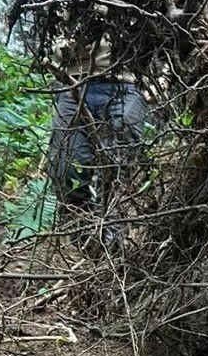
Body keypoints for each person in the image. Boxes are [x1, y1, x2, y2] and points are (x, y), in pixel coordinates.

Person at [47, 30, 149, 243]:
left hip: (126, 84)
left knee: (118, 166)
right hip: (74, 85)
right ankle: (82, 237)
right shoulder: (67, 0)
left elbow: (164, 38)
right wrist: (76, 42)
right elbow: (53, 48)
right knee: (67, 166)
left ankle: (113, 243)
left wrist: (162, 80)